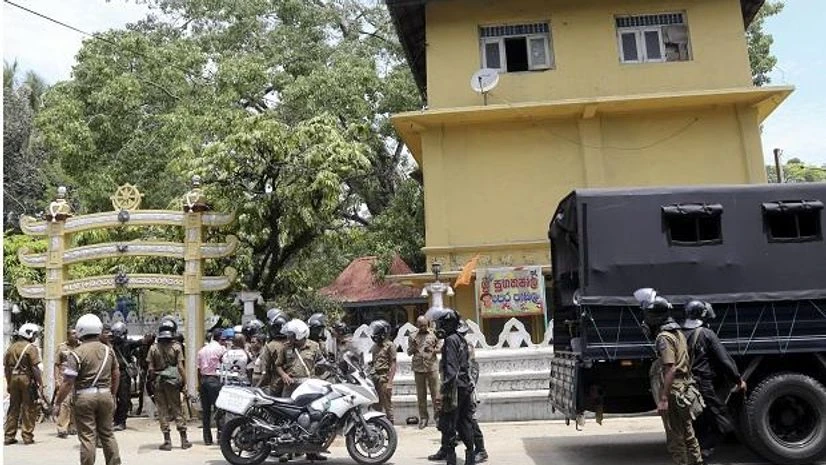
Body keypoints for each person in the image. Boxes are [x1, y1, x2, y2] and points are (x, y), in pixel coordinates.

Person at [637, 289, 704, 465]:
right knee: (688, 433)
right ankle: (697, 461)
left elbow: (671, 368)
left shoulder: (664, 338)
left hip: (674, 390)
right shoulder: (678, 332)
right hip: (685, 388)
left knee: (675, 437)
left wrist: (664, 398)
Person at [52, 314, 121, 465]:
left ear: (80, 330)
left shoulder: (76, 353)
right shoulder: (109, 350)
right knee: (108, 434)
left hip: (84, 397)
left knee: (87, 437)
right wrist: (113, 395)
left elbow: (68, 382)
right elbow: (116, 373)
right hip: (105, 395)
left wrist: (58, 403)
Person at [682, 300, 746, 459]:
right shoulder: (706, 334)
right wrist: (738, 380)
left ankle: (697, 452)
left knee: (697, 420)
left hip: (685, 385)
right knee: (723, 420)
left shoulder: (679, 334)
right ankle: (704, 451)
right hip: (704, 385)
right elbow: (724, 360)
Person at [426, 309, 475, 465]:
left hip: (454, 389)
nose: (437, 327)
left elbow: (451, 370)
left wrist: (442, 392)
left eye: (440, 324)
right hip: (465, 386)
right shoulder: (461, 339)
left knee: (448, 425)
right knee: (465, 422)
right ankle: (470, 458)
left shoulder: (450, 341)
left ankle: (451, 459)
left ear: (448, 324)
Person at [275, 319, 325, 462]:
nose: (289, 338)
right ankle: (285, 452)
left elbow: (321, 363)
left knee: (313, 418)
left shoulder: (314, 346)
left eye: (291, 335)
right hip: (291, 387)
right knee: (287, 419)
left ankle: (312, 451)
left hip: (309, 388)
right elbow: (278, 365)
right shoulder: (285, 348)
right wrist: (284, 375)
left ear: (299, 334)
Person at [146, 318, 191, 450]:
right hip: (173, 382)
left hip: (159, 382)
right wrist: (184, 383)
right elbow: (181, 367)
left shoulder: (153, 348)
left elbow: (150, 369)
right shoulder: (177, 347)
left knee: (162, 410)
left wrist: (153, 380)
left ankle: (167, 441)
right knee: (177, 408)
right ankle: (184, 440)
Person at [4, 323, 43, 445]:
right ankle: (27, 436)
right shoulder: (31, 348)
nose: (35, 337)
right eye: (35, 334)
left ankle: (9, 436)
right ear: (29, 334)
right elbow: (35, 368)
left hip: (13, 378)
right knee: (28, 407)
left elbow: (6, 368)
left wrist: (9, 382)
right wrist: (40, 383)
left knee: (13, 407)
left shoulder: (11, 348)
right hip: (26, 379)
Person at [408, 315, 440, 429]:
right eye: (420, 325)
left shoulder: (434, 334)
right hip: (418, 368)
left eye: (425, 325)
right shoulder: (412, 336)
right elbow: (408, 352)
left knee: (436, 395)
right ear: (417, 325)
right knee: (421, 396)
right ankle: (423, 418)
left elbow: (440, 348)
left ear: (428, 324)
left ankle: (438, 418)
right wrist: (414, 346)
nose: (423, 327)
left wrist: (432, 350)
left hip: (432, 367)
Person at [196, 328, 226, 445]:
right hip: (215, 379)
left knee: (206, 411)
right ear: (220, 338)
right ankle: (220, 436)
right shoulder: (221, 349)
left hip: (203, 380)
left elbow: (198, 370)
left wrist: (199, 384)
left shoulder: (202, 350)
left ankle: (207, 438)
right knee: (219, 409)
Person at [111, 322, 139, 431]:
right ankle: (115, 420)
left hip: (123, 374)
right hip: (111, 374)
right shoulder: (109, 344)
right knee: (112, 397)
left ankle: (121, 421)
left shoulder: (127, 344)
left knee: (123, 398)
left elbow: (140, 343)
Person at [370, 320, 397, 424]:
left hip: (383, 377)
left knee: (387, 404)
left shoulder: (390, 345)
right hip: (374, 377)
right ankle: (379, 424)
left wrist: (390, 382)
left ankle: (390, 425)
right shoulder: (375, 346)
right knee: (376, 403)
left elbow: (393, 364)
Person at [55, 328, 80, 438]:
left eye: (76, 333)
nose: (75, 335)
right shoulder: (61, 347)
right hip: (64, 378)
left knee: (76, 402)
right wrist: (56, 380)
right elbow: (56, 364)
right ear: (68, 335)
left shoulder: (81, 346)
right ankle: (62, 428)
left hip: (78, 378)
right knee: (65, 402)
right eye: (73, 333)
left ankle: (73, 426)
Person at [258, 309, 289, 393]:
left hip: (276, 387)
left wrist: (257, 387)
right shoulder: (293, 344)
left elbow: (265, 372)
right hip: (293, 385)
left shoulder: (270, 346)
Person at [136, 333, 155, 415]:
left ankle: (155, 407)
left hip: (151, 370)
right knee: (142, 390)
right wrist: (140, 368)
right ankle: (140, 408)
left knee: (152, 389)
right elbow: (139, 359)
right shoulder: (143, 347)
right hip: (144, 370)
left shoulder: (153, 347)